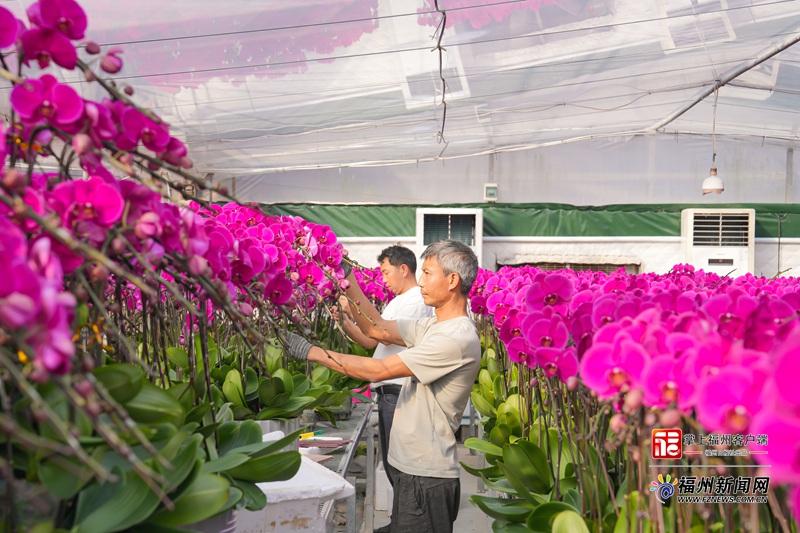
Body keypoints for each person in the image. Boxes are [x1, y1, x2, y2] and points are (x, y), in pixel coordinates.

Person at [283, 240, 481, 533]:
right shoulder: (434, 327)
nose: (421, 281)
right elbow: (376, 328)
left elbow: (379, 370)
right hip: (412, 469)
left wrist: (311, 352)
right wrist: (345, 273)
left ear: (452, 280)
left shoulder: (456, 338)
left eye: (428, 273)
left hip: (426, 476)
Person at [336, 245, 432, 488]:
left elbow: (379, 332)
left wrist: (351, 288)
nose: (383, 280)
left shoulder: (416, 301)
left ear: (404, 269)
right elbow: (370, 340)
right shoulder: (398, 302)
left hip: (399, 391)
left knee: (400, 466)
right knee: (393, 464)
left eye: (386, 273)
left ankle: (405, 512)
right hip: (389, 392)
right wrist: (345, 321)